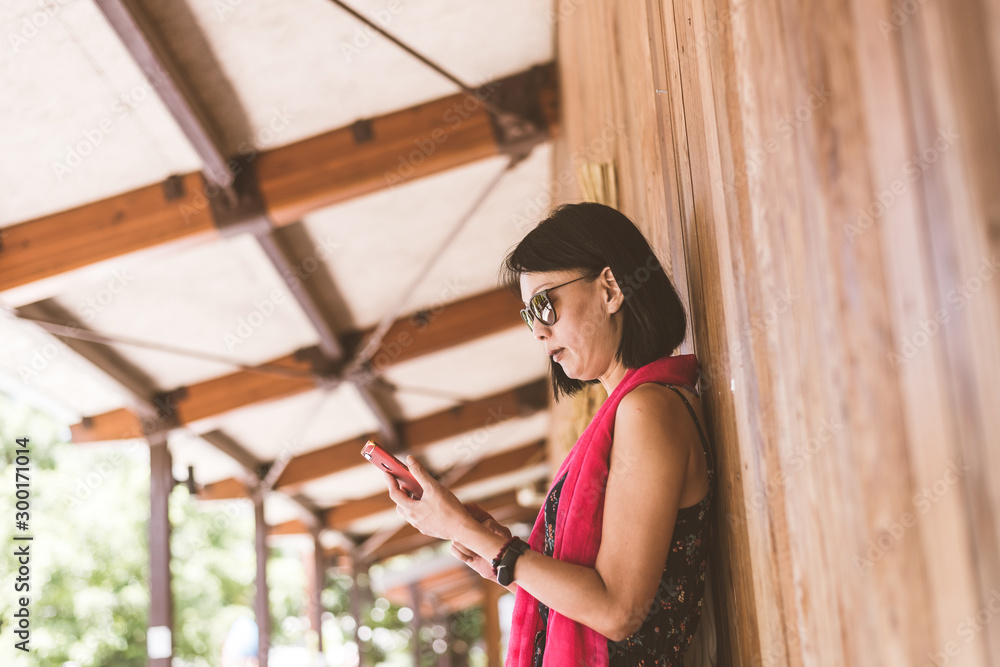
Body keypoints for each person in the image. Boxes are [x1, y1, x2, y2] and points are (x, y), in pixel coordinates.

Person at [383, 202, 715, 666]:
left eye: (545, 305)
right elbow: (599, 602)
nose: (538, 332)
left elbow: (618, 611)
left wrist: (469, 533)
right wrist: (502, 560)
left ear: (611, 288)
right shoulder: (633, 408)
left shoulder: (649, 408)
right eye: (528, 315)